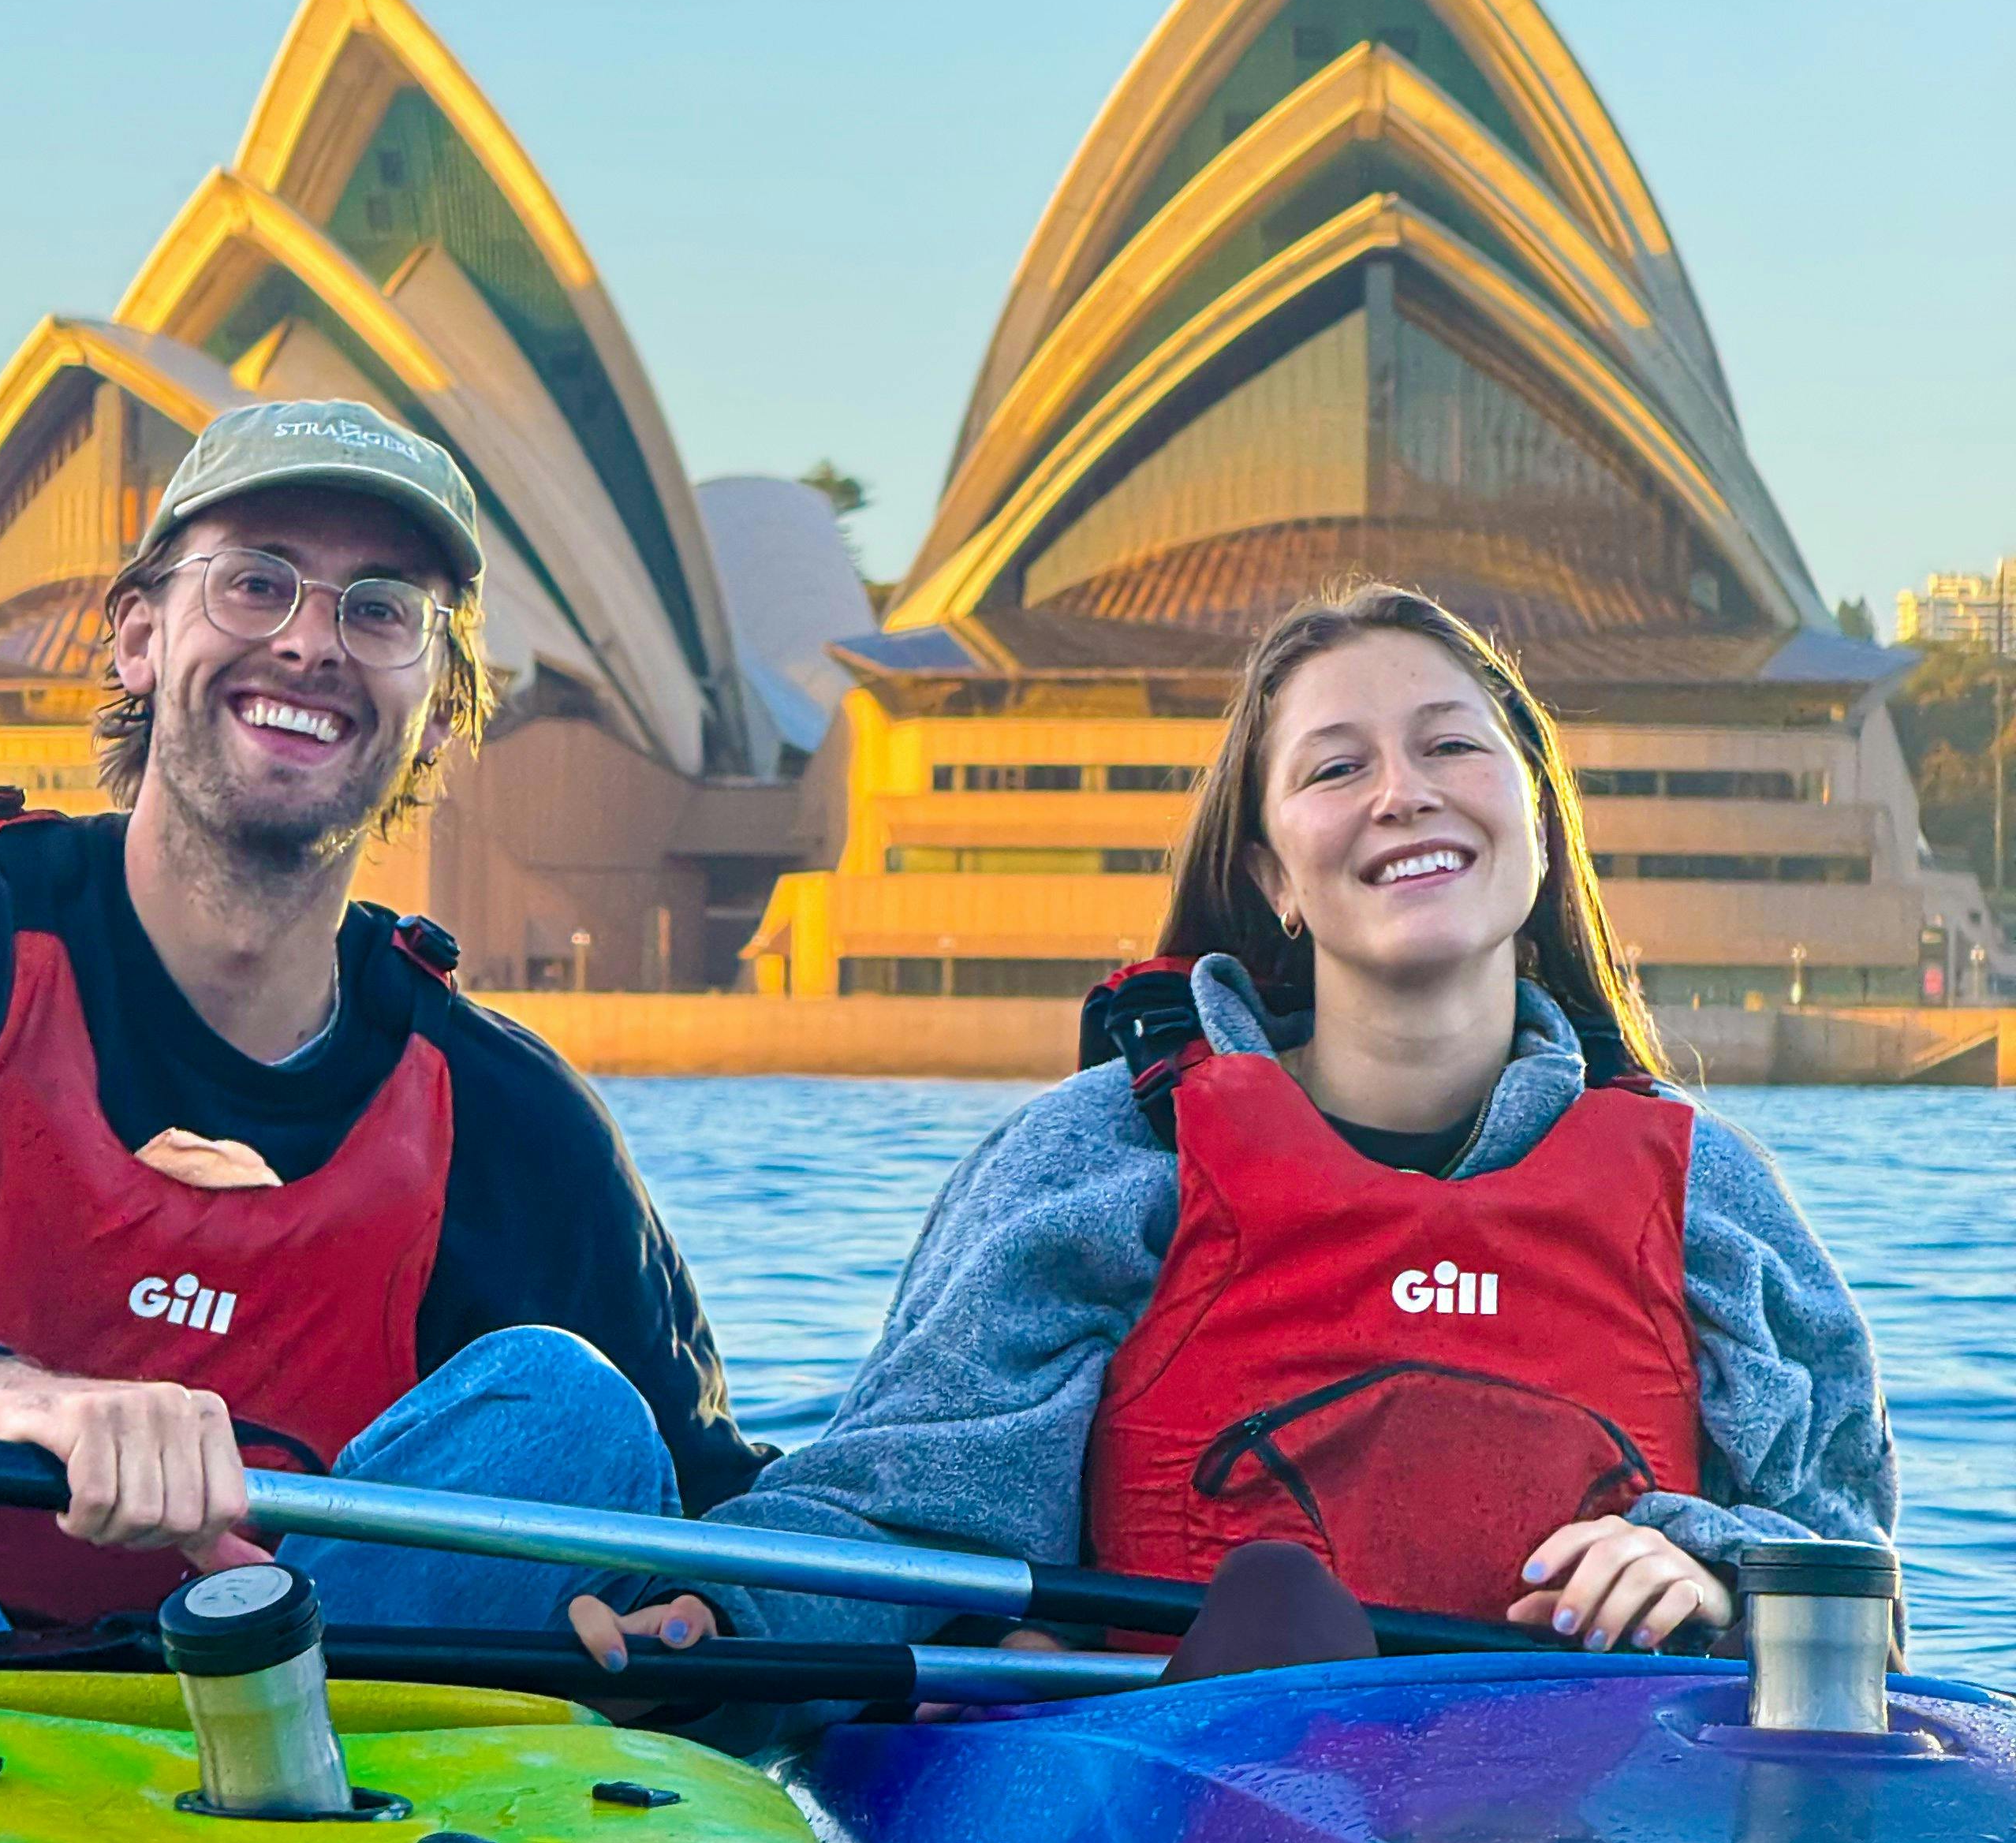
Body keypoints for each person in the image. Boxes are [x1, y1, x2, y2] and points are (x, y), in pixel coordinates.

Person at [581, 581, 1893, 1681]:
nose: (1403, 795)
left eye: (1451, 747)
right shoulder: (1110, 1159)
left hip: (1594, 1831)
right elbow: (912, 1502)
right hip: (1185, 1831)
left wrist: (1713, 1571)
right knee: (1277, 1603)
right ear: (1270, 874)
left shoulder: (1708, 1193)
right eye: (1336, 768)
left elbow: (1848, 1586)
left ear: (1539, 820)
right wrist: (729, 1625)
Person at [0, 397, 766, 1659]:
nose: (309, 644)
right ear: (138, 638)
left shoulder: (510, 1122)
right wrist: (1, 1395)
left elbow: (722, 1502)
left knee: (575, 1411)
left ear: (442, 711)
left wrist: (712, 1633)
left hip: (276, 1727)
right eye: (256, 584)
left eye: (379, 609)